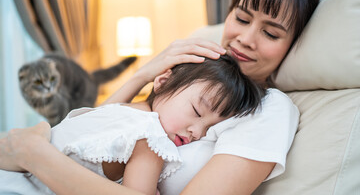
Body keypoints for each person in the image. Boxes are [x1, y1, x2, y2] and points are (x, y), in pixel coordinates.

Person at [0, 0, 320, 195]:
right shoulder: (197, 71)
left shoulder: (269, 108)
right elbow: (102, 129)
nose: (246, 39)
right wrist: (143, 75)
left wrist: (34, 154)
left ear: (292, 45)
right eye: (242, 18)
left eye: (270, 33)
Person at [0, 55, 265, 195]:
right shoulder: (151, 136)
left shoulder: (117, 109)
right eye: (197, 111)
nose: (197, 132)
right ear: (161, 82)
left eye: (209, 129)